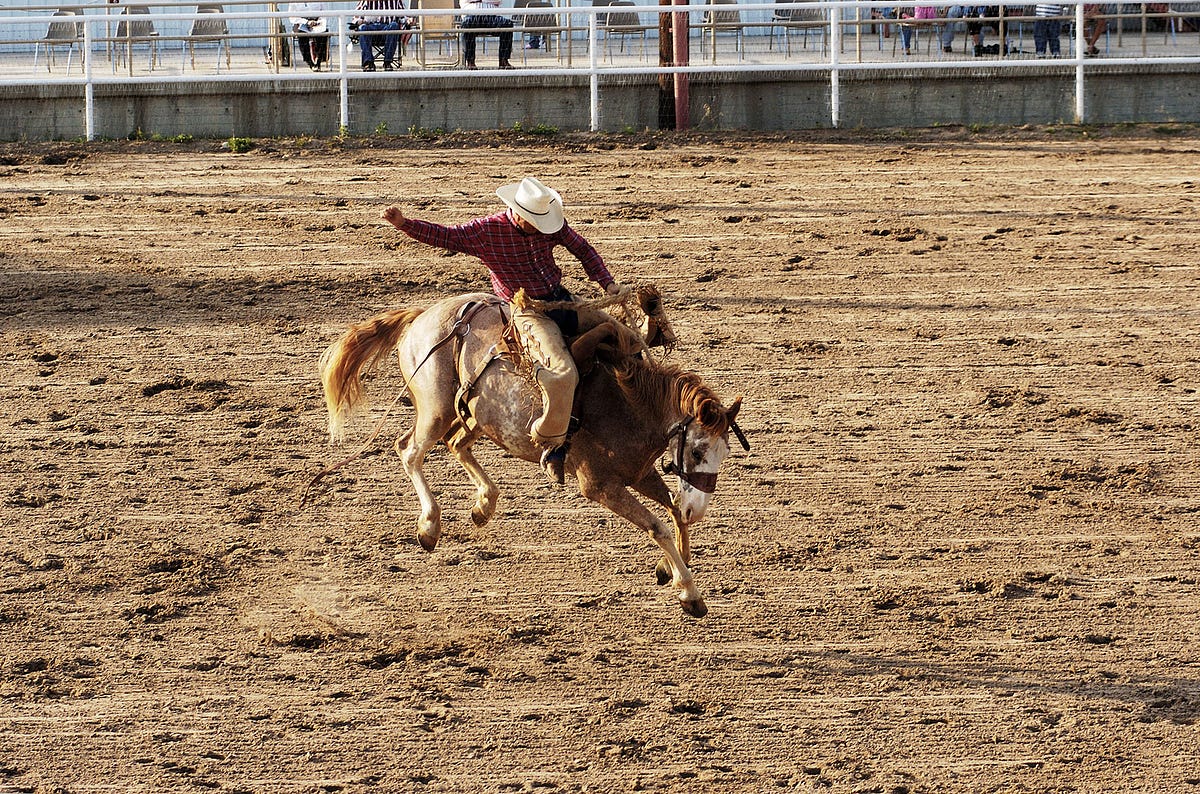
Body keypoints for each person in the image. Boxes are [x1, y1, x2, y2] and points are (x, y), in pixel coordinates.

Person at [381, 177, 627, 484]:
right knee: (563, 373)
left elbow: (583, 249)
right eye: (536, 222)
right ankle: (552, 444)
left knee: (626, 338)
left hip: (561, 300)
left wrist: (607, 282)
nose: (543, 228)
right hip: (527, 312)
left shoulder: (551, 223)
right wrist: (405, 224)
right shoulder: (487, 231)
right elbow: (445, 236)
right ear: (520, 214)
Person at [354, 0, 411, 71]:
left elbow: (404, 16)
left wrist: (408, 20)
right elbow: (356, 17)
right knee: (362, 28)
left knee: (394, 25)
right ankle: (368, 63)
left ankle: (388, 61)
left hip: (387, 29)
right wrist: (359, 21)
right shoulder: (365, 1)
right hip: (371, 29)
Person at [460, 0, 515, 69]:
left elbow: (498, 1)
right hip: (471, 14)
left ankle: (503, 60)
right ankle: (470, 61)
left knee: (507, 24)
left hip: (491, 15)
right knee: (466, 25)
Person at [289, 1, 328, 71]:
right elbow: (292, 17)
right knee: (302, 35)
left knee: (324, 34)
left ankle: (318, 60)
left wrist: (317, 21)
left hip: (316, 21)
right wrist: (306, 22)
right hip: (300, 22)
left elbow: (324, 13)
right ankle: (310, 62)